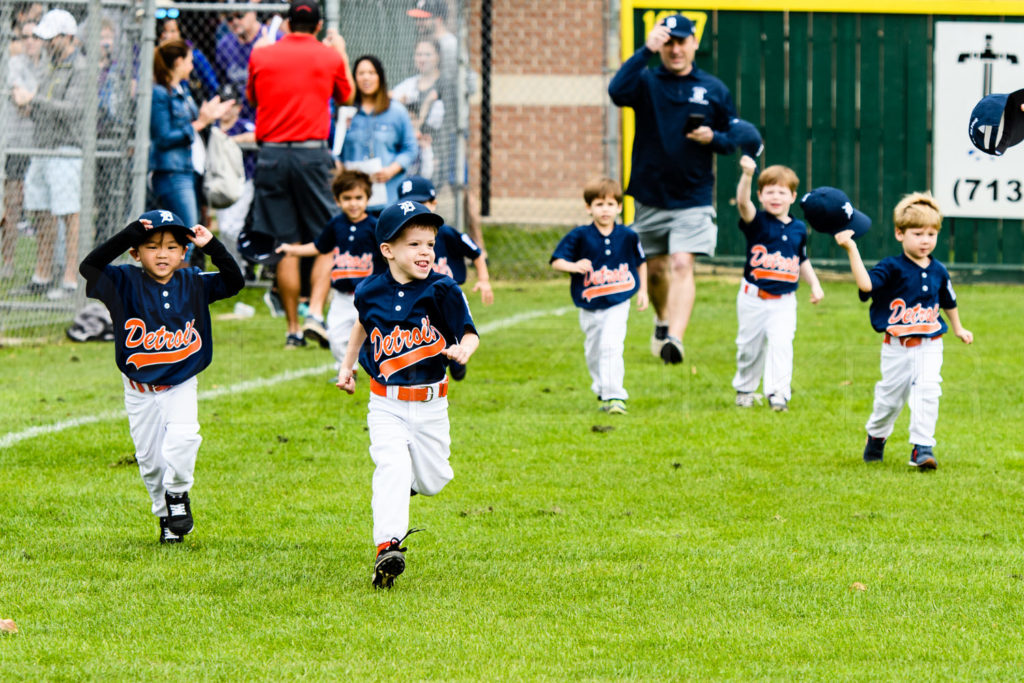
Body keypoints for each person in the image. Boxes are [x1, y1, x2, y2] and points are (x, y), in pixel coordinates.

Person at [78, 209, 244, 542]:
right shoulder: (122, 282)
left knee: (184, 438)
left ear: (184, 252)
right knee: (151, 463)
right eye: (152, 246)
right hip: (139, 389)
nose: (162, 253)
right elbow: (89, 267)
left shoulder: (194, 281)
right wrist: (128, 233)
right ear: (135, 254)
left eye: (171, 247)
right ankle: (166, 515)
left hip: (180, 383)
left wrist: (213, 246)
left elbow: (234, 281)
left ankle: (179, 494)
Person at [337, 200, 479, 589]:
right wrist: (346, 367)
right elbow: (361, 327)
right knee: (391, 468)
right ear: (388, 251)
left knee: (435, 480)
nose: (425, 253)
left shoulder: (443, 288)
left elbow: (468, 330)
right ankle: (388, 546)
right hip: (386, 402)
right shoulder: (369, 290)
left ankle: (409, 488)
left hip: (432, 403)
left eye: (430, 244)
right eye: (414, 244)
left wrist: (465, 348)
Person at [608, 14, 736, 366]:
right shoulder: (646, 81)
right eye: (668, 42)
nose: (675, 49)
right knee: (657, 269)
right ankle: (662, 321)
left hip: (693, 196)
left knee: (682, 262)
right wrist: (644, 51)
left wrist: (714, 137)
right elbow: (616, 92)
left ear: (695, 43)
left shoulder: (713, 89)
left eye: (682, 41)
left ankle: (675, 340)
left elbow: (732, 139)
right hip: (649, 195)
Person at [832, 192, 973, 469]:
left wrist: (958, 328)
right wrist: (852, 249)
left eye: (932, 234)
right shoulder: (891, 267)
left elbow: (948, 301)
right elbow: (866, 285)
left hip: (931, 343)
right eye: (918, 233)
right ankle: (876, 435)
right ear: (900, 233)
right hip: (897, 346)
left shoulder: (939, 270)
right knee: (890, 400)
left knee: (929, 389)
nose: (925, 240)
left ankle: (922, 447)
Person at [246, 0, 353, 348]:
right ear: (319, 25)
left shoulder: (262, 54)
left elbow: (252, 98)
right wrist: (341, 52)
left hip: (272, 154)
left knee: (285, 243)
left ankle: (293, 330)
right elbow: (346, 95)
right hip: (311, 153)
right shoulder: (328, 55)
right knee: (328, 237)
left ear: (289, 24)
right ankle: (315, 314)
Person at [732, 157, 823, 412]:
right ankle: (745, 389)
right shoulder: (757, 221)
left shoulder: (798, 228)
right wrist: (748, 175)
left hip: (784, 300)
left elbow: (801, 259)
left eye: (782, 192)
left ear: (793, 196)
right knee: (748, 347)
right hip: (753, 296)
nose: (775, 197)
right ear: (760, 195)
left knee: (781, 345)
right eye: (769, 191)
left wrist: (814, 284)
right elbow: (742, 202)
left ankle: (778, 394)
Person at [550, 177, 648, 414]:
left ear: (619, 208)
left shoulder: (628, 235)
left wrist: (643, 290)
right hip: (590, 304)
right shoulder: (580, 235)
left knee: (611, 345)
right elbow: (556, 261)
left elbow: (641, 262)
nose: (605, 210)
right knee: (593, 351)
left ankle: (616, 396)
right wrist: (573, 266)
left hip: (618, 300)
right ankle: (604, 389)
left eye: (610, 204)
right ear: (588, 208)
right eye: (599, 204)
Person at [275, 169, 382, 363]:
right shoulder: (336, 224)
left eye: (359, 197)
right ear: (337, 200)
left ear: (368, 198)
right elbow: (319, 246)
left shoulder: (375, 226)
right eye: (347, 198)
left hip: (369, 295)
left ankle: (376, 370)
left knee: (374, 336)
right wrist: (292, 250)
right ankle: (348, 370)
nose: (353, 203)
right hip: (341, 296)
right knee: (335, 336)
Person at [17, 9, 88, 299]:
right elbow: (46, 105)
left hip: (66, 150)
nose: (47, 43)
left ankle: (71, 279)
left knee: (69, 214)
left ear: (68, 37)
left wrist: (35, 101)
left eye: (52, 38)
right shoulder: (51, 66)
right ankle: (42, 275)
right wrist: (29, 106)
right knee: (40, 211)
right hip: (42, 147)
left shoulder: (81, 68)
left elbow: (73, 110)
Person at [396, 175, 492, 381]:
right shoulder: (400, 240)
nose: (416, 209)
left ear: (433, 204)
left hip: (450, 295)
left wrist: (483, 280)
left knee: (458, 330)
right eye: (408, 204)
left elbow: (476, 253)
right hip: (418, 297)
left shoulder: (448, 233)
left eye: (421, 203)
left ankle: (457, 358)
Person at [150, 39, 233, 242]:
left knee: (187, 238)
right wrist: (200, 123)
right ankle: (177, 274)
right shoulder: (160, 93)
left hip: (190, 170)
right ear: (178, 62)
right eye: (189, 61)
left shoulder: (183, 91)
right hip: (174, 173)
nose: (192, 66)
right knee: (186, 238)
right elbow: (163, 137)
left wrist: (209, 115)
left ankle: (181, 274)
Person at [340, 55, 418, 215]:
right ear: (354, 78)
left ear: (380, 77)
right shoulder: (345, 112)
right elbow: (334, 148)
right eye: (361, 73)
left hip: (388, 197)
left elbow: (410, 148)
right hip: (353, 201)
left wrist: (391, 170)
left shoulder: (396, 111)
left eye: (371, 72)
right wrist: (341, 169)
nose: (366, 77)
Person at [1, 19, 46, 280]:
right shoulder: (15, 64)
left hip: (41, 145)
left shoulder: (50, 64)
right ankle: (8, 261)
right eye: (25, 36)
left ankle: (44, 265)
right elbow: (21, 101)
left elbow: (32, 101)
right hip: (17, 143)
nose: (30, 41)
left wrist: (34, 99)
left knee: (42, 208)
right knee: (13, 205)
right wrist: (39, 98)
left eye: (35, 36)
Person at [210, 83, 256, 267]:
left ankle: (241, 266)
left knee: (233, 228)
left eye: (232, 104)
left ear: (239, 107)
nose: (227, 110)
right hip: (218, 182)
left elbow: (255, 136)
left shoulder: (243, 125)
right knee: (224, 228)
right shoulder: (212, 125)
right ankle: (235, 266)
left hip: (242, 182)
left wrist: (228, 141)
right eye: (223, 104)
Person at [391, 39, 445, 180]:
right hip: (414, 149)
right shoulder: (410, 84)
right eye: (419, 54)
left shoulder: (445, 84)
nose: (422, 59)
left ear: (437, 57)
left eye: (427, 55)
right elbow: (389, 97)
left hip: (440, 148)